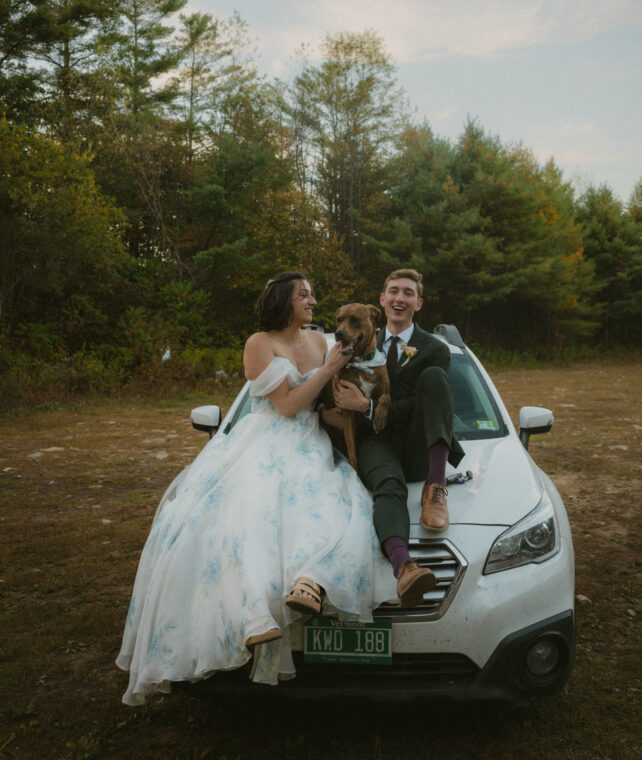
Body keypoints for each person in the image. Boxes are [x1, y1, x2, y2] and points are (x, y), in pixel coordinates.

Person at [116, 271, 395, 702]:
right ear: (284, 299)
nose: (312, 299)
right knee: (247, 517)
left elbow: (322, 404)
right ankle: (254, 618)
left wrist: (341, 407)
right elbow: (285, 405)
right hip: (265, 439)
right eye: (304, 294)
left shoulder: (321, 341)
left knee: (335, 505)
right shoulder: (259, 344)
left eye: (312, 293)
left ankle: (309, 582)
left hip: (311, 443)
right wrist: (329, 369)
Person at [321, 268, 463, 607]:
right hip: (375, 443)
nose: (400, 297)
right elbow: (324, 394)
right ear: (381, 301)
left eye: (408, 292)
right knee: (388, 484)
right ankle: (405, 567)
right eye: (394, 291)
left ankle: (436, 485)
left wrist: (367, 406)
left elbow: (417, 406)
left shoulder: (435, 349)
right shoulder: (351, 345)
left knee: (431, 378)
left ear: (418, 302)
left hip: (417, 443)